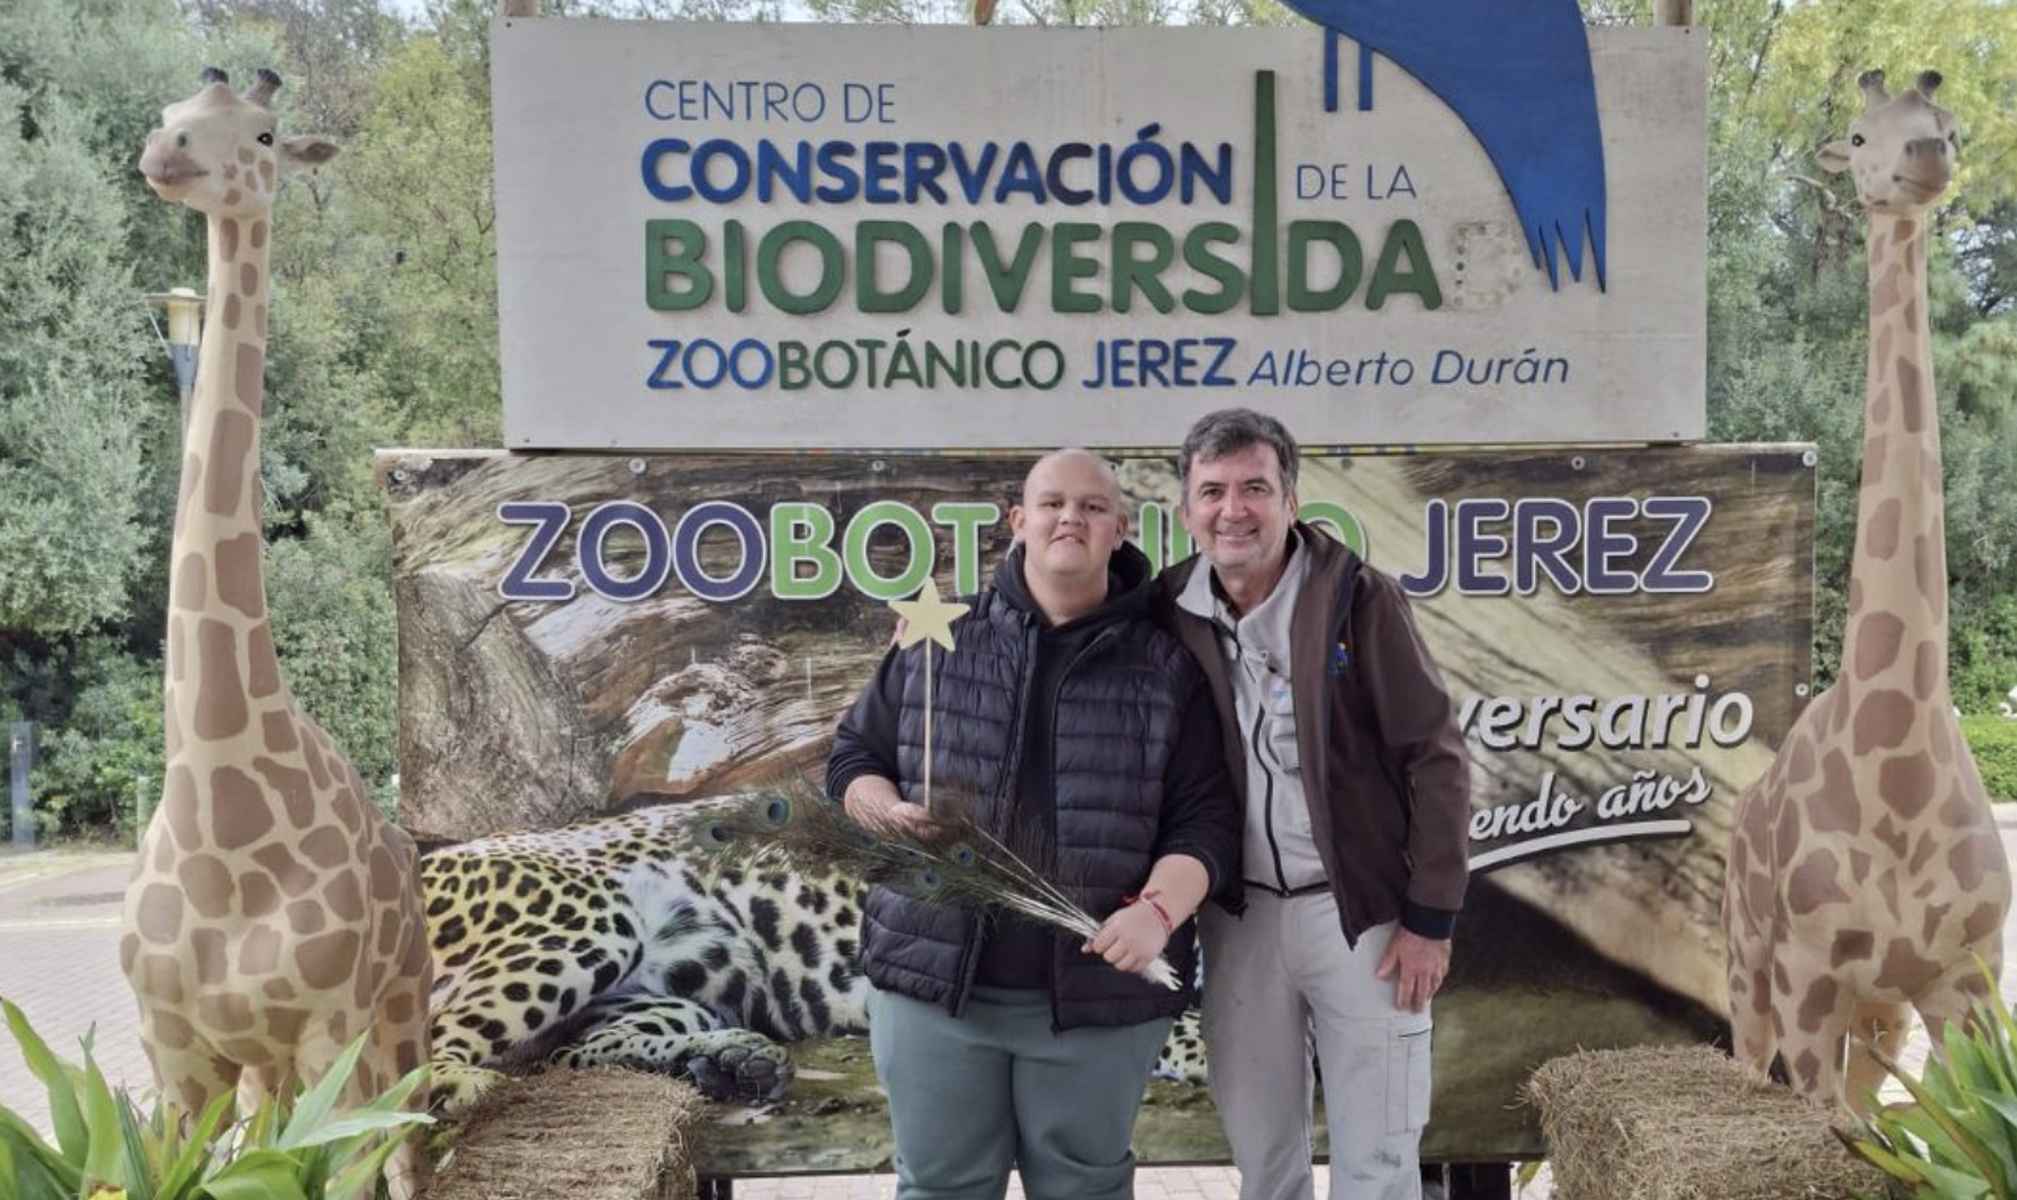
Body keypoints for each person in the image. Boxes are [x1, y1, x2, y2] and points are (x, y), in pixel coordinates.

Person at [826, 448, 1241, 1200]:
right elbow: (854, 755)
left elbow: (1206, 820)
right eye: (1051, 503)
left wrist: (1158, 912)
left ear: (1119, 528)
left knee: (1083, 1187)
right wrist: (880, 808)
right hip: (933, 989)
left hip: (1092, 1004)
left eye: (1090, 507)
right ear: (1019, 521)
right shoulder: (932, 640)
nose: (1069, 518)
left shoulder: (1166, 666)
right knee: (939, 1187)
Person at [1156, 409, 1471, 1200]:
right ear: (1185, 510)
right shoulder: (1165, 612)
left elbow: (1434, 757)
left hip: (1363, 921)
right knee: (1264, 1162)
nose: (1234, 510)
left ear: (1291, 501)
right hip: (1237, 920)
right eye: (1213, 491)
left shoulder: (1359, 601)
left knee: (1377, 1164)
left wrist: (1429, 917)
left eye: (1255, 488)